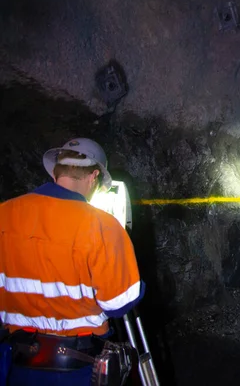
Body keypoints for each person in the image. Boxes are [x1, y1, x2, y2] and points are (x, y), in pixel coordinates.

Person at [0, 137, 145, 385]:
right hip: (76, 369)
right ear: (94, 177)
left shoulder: (5, 214)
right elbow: (119, 303)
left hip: (15, 364)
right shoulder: (102, 225)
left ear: (56, 173)